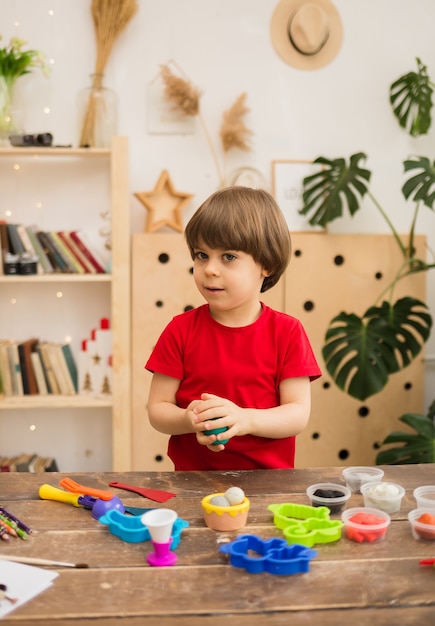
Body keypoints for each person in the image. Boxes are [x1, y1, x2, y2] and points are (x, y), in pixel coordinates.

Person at [145, 186, 321, 471]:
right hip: (193, 483)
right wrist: (188, 418)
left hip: (270, 484)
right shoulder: (180, 330)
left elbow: (297, 414)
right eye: (202, 255)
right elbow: (157, 409)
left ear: (266, 264)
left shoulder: (288, 332)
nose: (210, 269)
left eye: (228, 257)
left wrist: (245, 420)